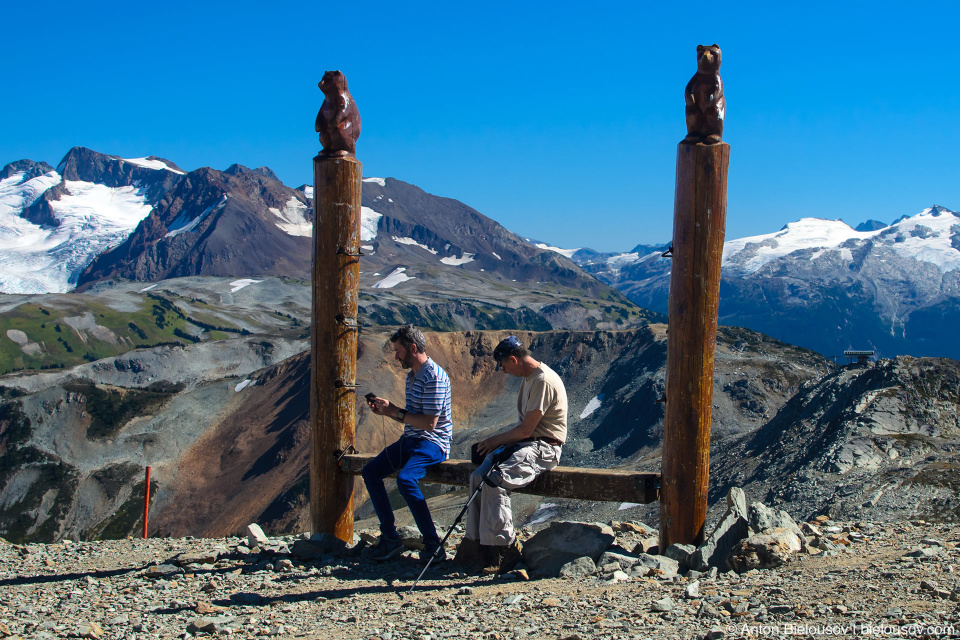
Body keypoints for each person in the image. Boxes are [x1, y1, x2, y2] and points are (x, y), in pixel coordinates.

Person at [458, 335, 567, 575]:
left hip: (544, 448)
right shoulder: (530, 378)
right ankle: (481, 545)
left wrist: (493, 441)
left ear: (514, 359)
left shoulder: (542, 381)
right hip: (529, 444)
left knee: (495, 479)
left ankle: (507, 547)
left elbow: (527, 430)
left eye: (504, 365)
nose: (503, 371)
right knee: (478, 476)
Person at [362, 325, 453, 562]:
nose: (396, 356)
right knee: (370, 471)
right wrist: (387, 411)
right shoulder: (412, 375)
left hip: (433, 442)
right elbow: (411, 416)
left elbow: (430, 424)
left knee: (405, 479)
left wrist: (395, 411)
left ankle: (433, 544)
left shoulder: (434, 376)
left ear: (413, 348)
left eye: (399, 350)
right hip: (412, 439)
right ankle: (390, 538)